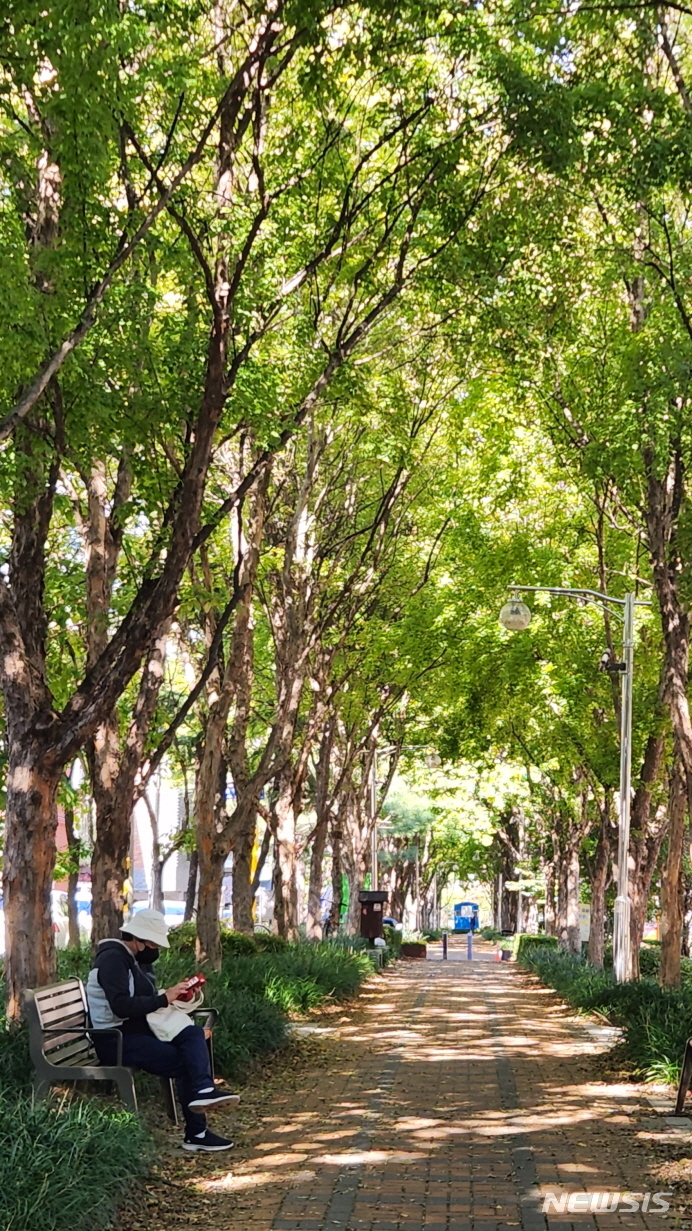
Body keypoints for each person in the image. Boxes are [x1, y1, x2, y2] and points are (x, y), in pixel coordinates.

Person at [87, 908, 237, 1152]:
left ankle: (205, 1089)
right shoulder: (112, 960)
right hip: (114, 1039)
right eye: (153, 943)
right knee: (184, 1060)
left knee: (193, 1034)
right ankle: (196, 1132)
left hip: (134, 1030)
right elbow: (122, 1005)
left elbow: (142, 998)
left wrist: (177, 994)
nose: (155, 949)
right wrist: (164, 999)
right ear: (138, 939)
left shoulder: (130, 959)